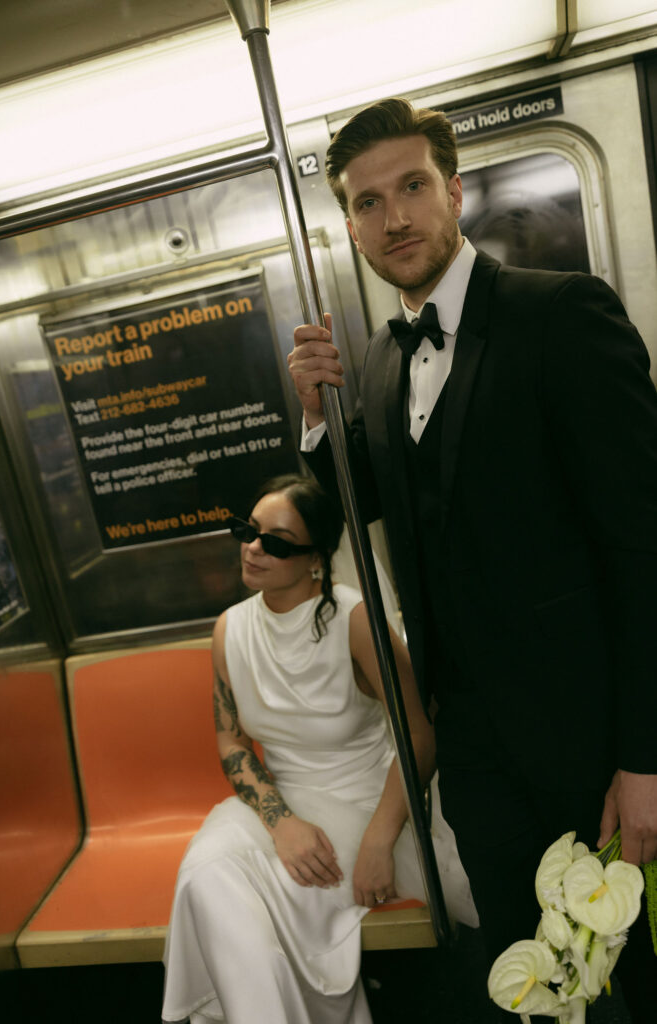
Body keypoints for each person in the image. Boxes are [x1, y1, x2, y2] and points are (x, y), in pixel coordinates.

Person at [287, 98, 657, 1021]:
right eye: (367, 204)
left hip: (590, 737)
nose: (395, 217)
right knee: (525, 976)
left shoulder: (562, 315)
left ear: (453, 192)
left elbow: (642, 544)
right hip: (474, 755)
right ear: (350, 226)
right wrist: (313, 418)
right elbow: (359, 509)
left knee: (628, 983)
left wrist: (645, 757)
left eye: (412, 187)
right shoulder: (370, 364)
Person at [161, 474, 473, 1024]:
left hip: (365, 800)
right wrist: (281, 821)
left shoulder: (356, 622)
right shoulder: (229, 629)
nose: (254, 549)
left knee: (285, 895)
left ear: (316, 559)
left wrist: (382, 836)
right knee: (205, 876)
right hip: (281, 803)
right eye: (248, 531)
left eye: (277, 542)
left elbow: (420, 735)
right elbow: (231, 738)